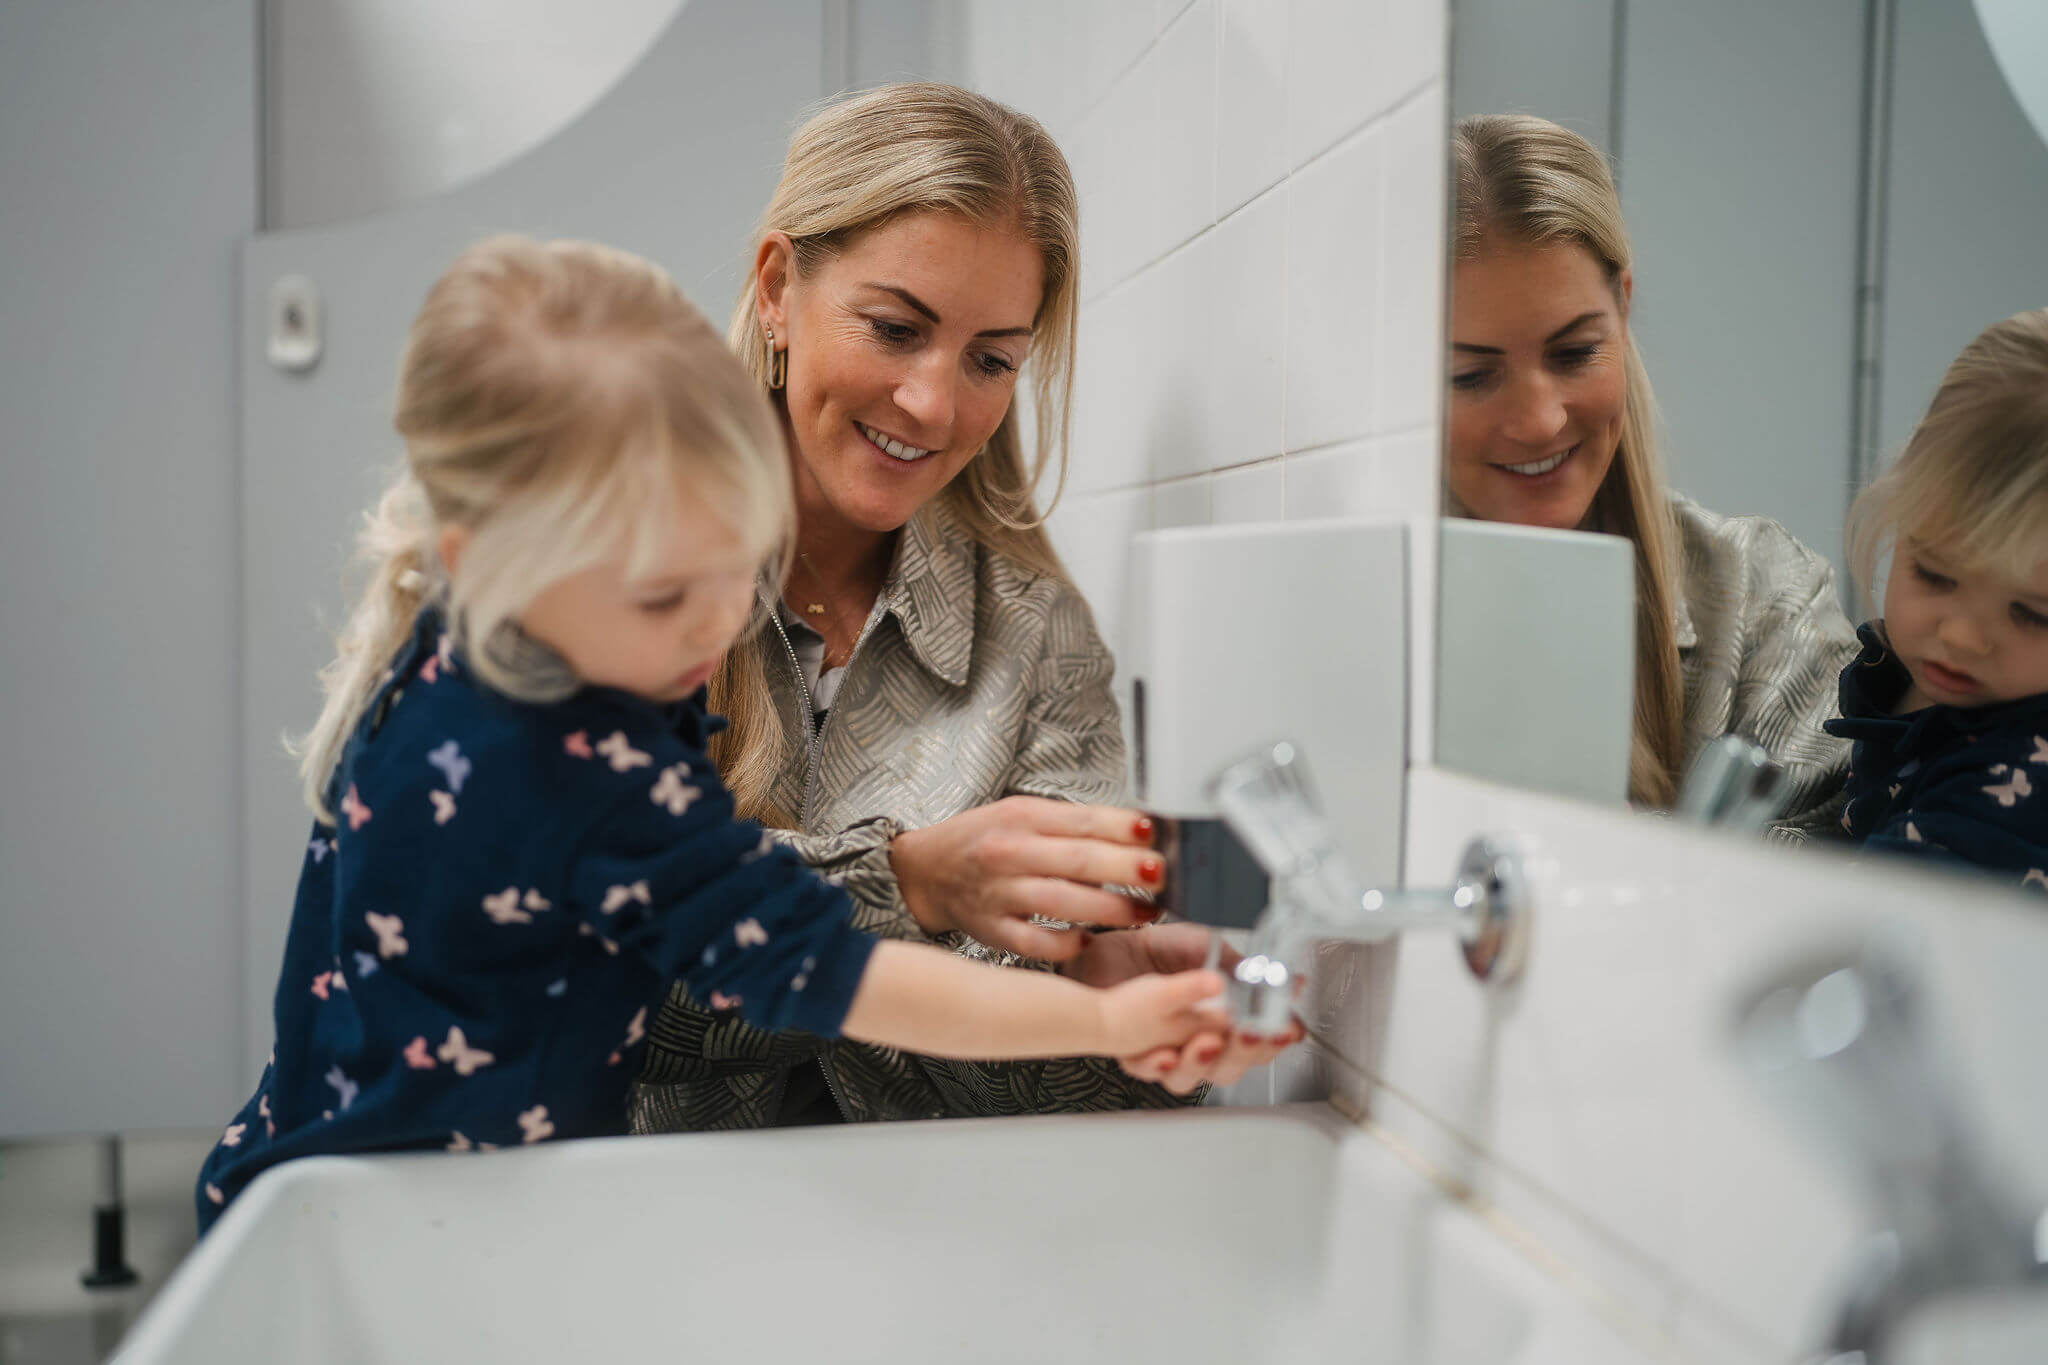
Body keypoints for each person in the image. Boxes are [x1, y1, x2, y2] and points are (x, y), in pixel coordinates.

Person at [193, 236, 1227, 1233]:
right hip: (422, 1242)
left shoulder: (454, 649)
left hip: (302, 1192)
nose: (717, 619)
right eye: (660, 595)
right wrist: (1099, 1026)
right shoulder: (579, 769)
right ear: (485, 564)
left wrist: (1092, 982)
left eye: (743, 562)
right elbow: (846, 977)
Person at [632, 82, 1296, 1133]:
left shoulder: (1038, 643)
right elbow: (596, 964)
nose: (935, 405)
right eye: (895, 329)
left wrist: (1106, 1010)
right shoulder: (609, 572)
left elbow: (1057, 1091)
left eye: (991, 360)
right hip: (594, 1231)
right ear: (775, 289)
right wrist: (907, 887)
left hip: (924, 1250)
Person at [1447, 114, 1859, 824]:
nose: (1541, 420)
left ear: (1624, 306)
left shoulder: (1762, 602)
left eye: (1574, 353)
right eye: (1471, 375)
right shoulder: (1350, 609)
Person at [1825, 308, 2048, 887]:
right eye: (1935, 574)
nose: (1959, 636)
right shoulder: (1894, 673)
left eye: (2031, 614)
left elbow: (1854, 946)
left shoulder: (2017, 793)